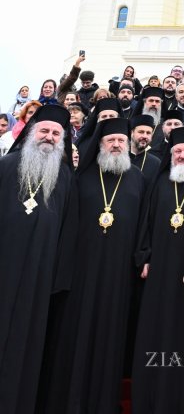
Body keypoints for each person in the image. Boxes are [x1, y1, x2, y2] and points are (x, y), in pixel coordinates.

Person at [44, 119, 145, 414]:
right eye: (111, 140)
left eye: (121, 141)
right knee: (73, 336)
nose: (116, 144)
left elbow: (143, 227)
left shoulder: (138, 179)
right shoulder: (83, 176)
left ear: (128, 145)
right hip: (81, 273)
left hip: (118, 275)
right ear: (100, 144)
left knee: (109, 338)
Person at [131, 127, 184, 413]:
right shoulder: (160, 183)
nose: (181, 155)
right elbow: (146, 220)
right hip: (161, 271)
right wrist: (145, 256)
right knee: (158, 327)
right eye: (177, 151)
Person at [0, 105, 77, 414]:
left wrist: (57, 279)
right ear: (32, 133)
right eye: (44, 130)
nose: (49, 137)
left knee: (25, 347)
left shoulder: (65, 179)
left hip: (39, 279)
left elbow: (68, 231)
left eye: (56, 133)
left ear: (62, 140)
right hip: (3, 268)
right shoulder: (5, 166)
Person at [129, 113, 160, 182]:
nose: (145, 136)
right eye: (141, 132)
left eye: (148, 133)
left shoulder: (156, 163)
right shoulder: (120, 157)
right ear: (131, 133)